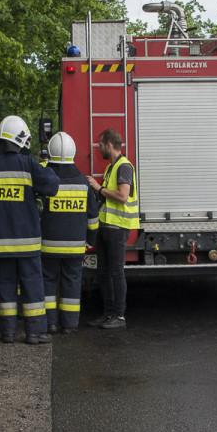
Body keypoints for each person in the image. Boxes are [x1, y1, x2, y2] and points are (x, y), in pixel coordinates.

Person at [0, 115, 60, 344]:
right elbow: (52, 186)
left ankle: (8, 332)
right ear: (20, 139)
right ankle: (34, 332)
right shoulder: (27, 164)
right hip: (27, 241)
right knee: (32, 286)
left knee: (5, 287)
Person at [40, 131, 98, 334]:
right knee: (72, 282)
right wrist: (90, 240)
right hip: (75, 245)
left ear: (51, 151)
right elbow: (93, 217)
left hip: (48, 245)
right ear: (73, 153)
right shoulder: (83, 182)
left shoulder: (45, 180)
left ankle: (50, 323)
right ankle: (70, 325)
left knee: (48, 281)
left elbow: (38, 212)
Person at [85, 128, 138, 329]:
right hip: (106, 226)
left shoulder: (124, 166)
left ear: (109, 144)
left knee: (116, 272)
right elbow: (108, 196)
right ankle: (108, 314)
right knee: (104, 271)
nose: (98, 149)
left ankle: (119, 316)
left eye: (100, 144)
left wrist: (98, 188)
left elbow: (123, 196)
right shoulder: (110, 168)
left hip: (118, 227)